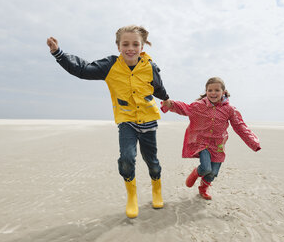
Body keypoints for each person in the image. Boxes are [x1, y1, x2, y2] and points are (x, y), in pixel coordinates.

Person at [47, 25, 170, 218]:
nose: (131, 48)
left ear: (142, 46)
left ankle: (156, 189)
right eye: (125, 44)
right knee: (127, 160)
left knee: (152, 162)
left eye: (135, 44)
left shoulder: (150, 66)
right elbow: (83, 69)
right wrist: (59, 54)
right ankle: (132, 196)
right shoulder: (110, 65)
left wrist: (167, 99)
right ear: (118, 46)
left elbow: (158, 88)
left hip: (149, 120)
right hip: (127, 121)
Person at [161, 77, 260, 200]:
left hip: (218, 145)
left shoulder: (229, 110)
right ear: (206, 92)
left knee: (212, 173)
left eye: (217, 90)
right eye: (210, 90)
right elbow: (184, 108)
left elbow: (240, 126)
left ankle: (203, 188)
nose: (213, 93)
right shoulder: (199, 106)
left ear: (223, 92)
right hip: (203, 143)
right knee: (206, 168)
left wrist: (253, 142)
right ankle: (196, 172)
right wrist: (170, 104)